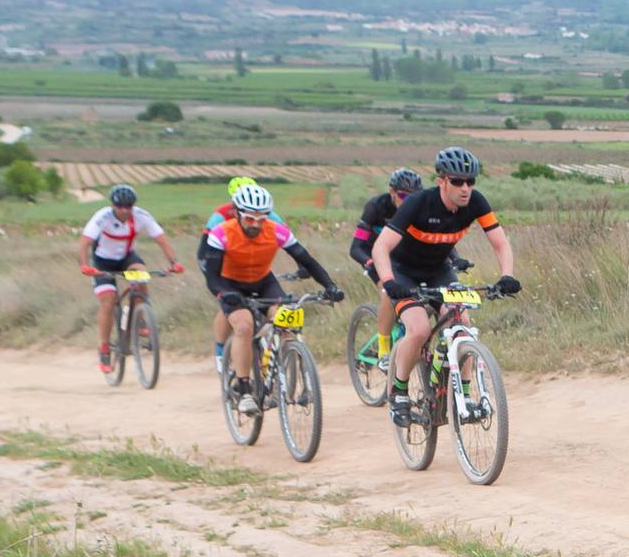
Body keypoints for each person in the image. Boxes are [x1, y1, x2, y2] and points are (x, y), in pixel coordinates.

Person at [371, 147, 521, 425]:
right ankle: (399, 392)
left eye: (471, 182)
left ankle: (461, 396)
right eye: (457, 181)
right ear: (442, 180)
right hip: (404, 273)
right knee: (418, 330)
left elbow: (500, 242)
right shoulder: (418, 203)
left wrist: (507, 275)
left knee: (462, 325)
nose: (465, 188)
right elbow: (381, 247)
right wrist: (389, 281)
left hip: (440, 270)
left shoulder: (476, 203)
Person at [200, 183, 344, 413]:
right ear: (237, 213)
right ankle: (244, 388)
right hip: (231, 285)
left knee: (288, 320)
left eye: (261, 218)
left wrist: (330, 285)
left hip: (263, 282)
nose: (256, 224)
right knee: (244, 326)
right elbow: (212, 276)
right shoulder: (222, 233)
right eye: (249, 219)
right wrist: (223, 294)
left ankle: (287, 374)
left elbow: (307, 261)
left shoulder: (276, 231)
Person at [77, 185, 184, 374]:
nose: (125, 210)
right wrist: (85, 265)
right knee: (108, 300)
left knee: (142, 274)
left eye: (129, 206)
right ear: (113, 205)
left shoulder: (141, 216)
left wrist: (174, 263)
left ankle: (141, 318)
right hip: (102, 262)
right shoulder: (102, 217)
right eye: (121, 206)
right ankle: (104, 349)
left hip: (127, 258)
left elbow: (161, 239)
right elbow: (85, 241)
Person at [348, 167, 423, 367]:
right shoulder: (376, 207)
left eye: (413, 197)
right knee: (388, 294)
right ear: (392, 192)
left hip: (403, 261)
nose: (407, 201)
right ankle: (383, 351)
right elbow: (356, 247)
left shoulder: (418, 209)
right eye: (402, 196)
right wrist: (368, 261)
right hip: (375, 258)